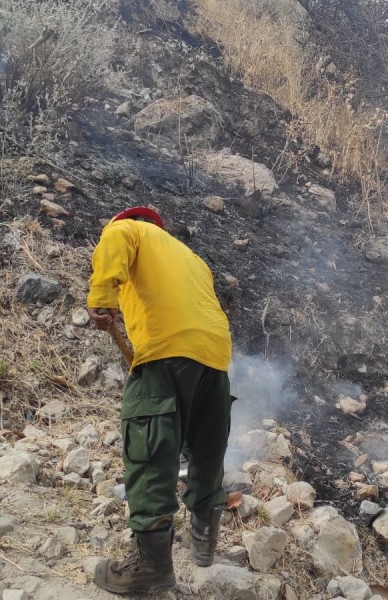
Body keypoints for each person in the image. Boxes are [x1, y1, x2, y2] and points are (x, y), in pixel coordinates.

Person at [87, 206, 233, 594]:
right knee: (204, 445)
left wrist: (102, 295)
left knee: (149, 446)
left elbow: (115, 239)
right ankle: (204, 542)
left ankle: (149, 566)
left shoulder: (127, 230)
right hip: (215, 355)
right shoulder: (192, 258)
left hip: (167, 351)